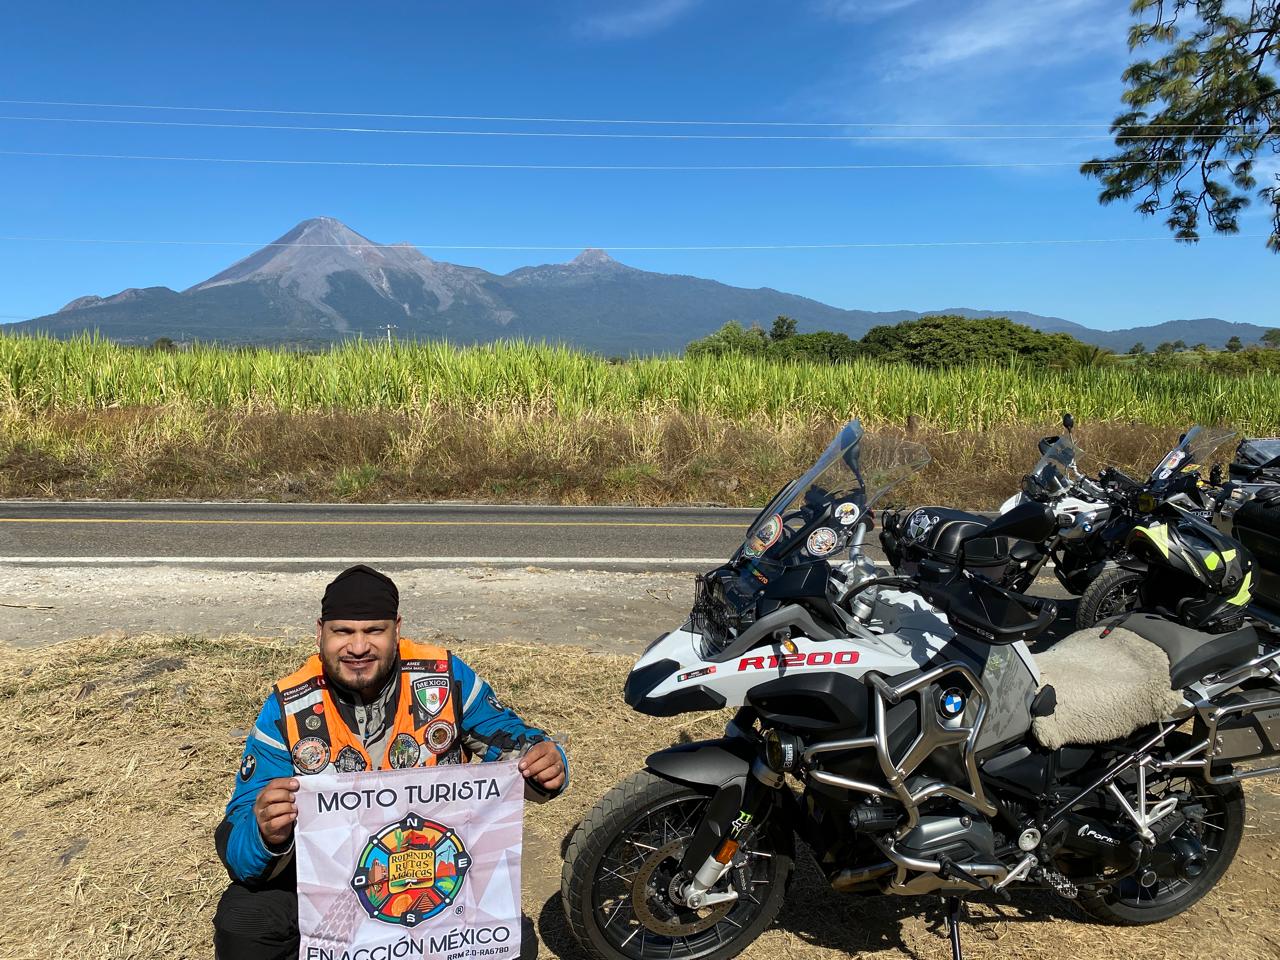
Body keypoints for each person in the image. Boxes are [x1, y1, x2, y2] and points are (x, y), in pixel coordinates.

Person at [212, 564, 568, 959]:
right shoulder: (289, 705)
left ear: (397, 629)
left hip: (435, 869)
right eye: (343, 632)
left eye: (374, 631)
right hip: (334, 882)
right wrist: (265, 833)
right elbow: (237, 839)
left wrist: (545, 762)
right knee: (245, 917)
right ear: (320, 632)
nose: (359, 647)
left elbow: (512, 738)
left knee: (512, 941)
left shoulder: (444, 676)